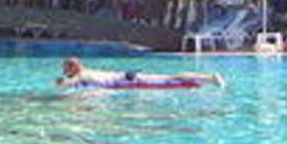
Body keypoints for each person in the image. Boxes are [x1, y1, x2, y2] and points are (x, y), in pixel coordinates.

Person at [57, 56, 224, 90]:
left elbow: (73, 81)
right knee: (170, 79)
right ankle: (206, 79)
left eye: (66, 69)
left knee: (169, 80)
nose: (65, 72)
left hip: (129, 80)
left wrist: (64, 83)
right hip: (128, 77)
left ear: (74, 68)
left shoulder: (82, 75)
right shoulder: (88, 72)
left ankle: (209, 78)